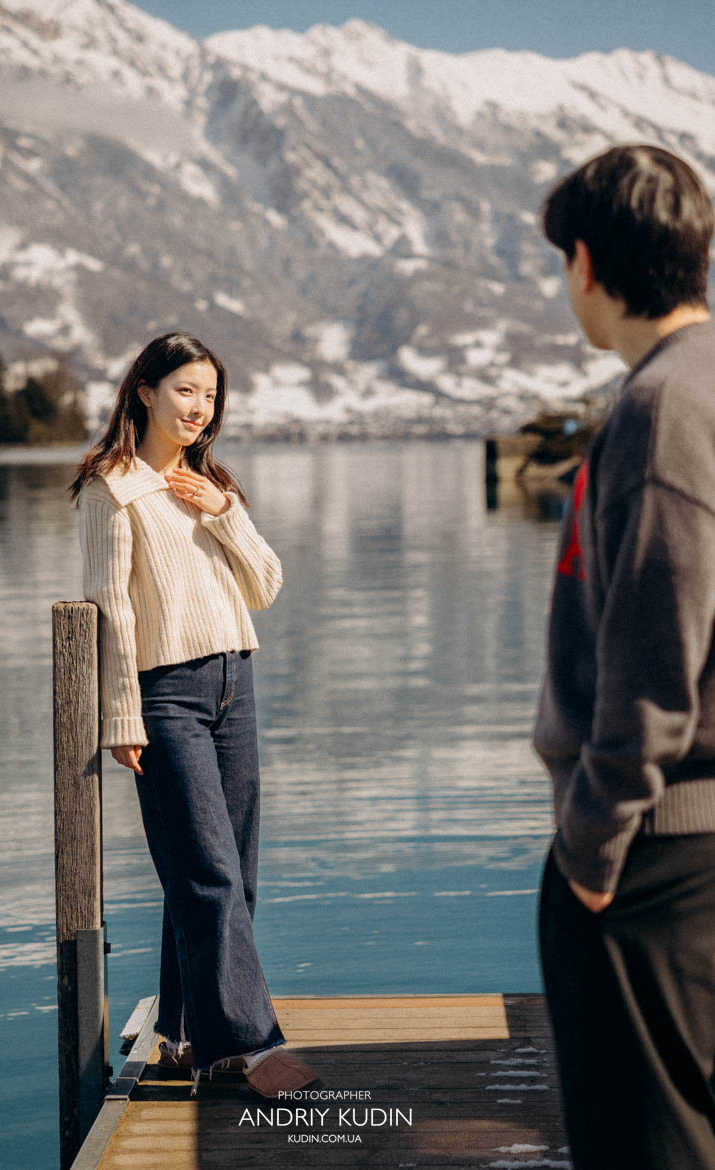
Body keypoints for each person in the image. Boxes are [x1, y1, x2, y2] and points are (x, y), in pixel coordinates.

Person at [70, 331, 317, 1098]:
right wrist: (122, 715)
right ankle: (251, 1044)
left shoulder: (211, 487)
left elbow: (266, 585)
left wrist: (223, 513)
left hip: (236, 685)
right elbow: (111, 605)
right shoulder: (111, 488)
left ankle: (182, 1035)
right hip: (166, 696)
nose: (199, 408)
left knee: (232, 877)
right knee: (206, 870)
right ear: (144, 390)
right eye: (185, 391)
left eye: (210, 396)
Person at [533, 144, 715, 1169]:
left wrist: (595, 847)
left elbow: (655, 654)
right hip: (691, 848)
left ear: (589, 265)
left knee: (643, 1147)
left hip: (652, 859)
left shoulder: (660, 409)